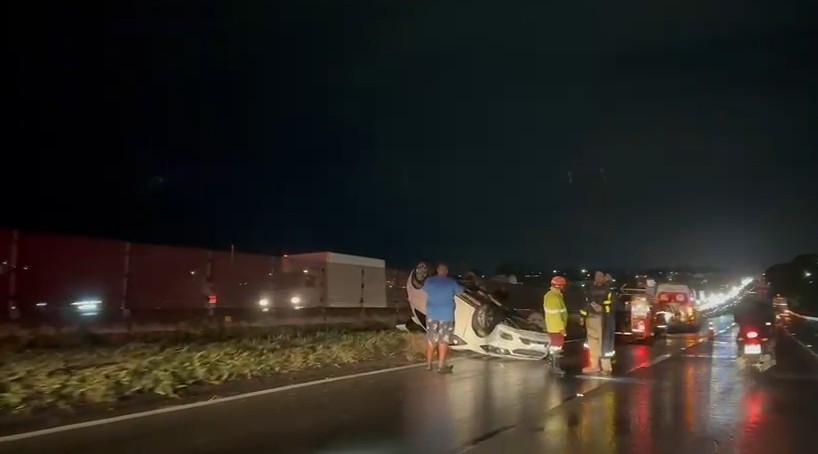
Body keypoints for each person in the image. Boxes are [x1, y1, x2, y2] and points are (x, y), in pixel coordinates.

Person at [422, 263, 464, 374]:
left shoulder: (429, 281)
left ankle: (429, 365)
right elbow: (461, 291)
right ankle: (441, 367)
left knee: (431, 338)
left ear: (437, 270)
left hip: (431, 314)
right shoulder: (451, 282)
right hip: (446, 316)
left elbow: (424, 289)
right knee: (443, 340)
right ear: (446, 271)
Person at [581, 271, 608, 374]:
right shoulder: (590, 289)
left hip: (601, 318)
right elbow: (586, 303)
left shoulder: (608, 289)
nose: (598, 278)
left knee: (603, 344)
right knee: (592, 344)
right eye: (597, 276)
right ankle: (594, 366)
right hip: (590, 318)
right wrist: (582, 316)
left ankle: (606, 367)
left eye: (601, 276)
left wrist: (602, 309)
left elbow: (613, 304)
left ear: (604, 278)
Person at [543, 275, 569, 375]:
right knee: (557, 347)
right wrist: (562, 328)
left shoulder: (551, 295)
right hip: (556, 328)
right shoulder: (554, 297)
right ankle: (555, 368)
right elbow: (557, 315)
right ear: (560, 286)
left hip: (552, 327)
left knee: (554, 347)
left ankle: (552, 365)